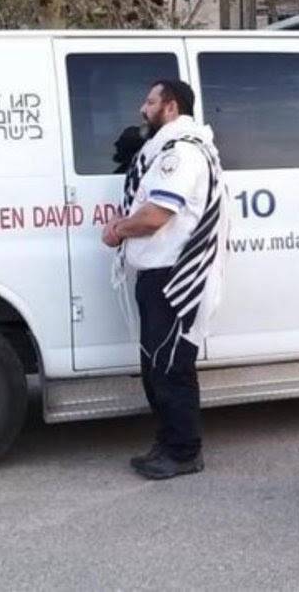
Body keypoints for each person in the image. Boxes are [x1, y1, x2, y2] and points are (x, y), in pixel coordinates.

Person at [101, 79, 228, 480]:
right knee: (156, 366)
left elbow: (157, 214)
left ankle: (184, 452)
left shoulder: (183, 154)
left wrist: (119, 229)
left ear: (170, 107)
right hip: (157, 274)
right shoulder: (165, 150)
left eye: (150, 101)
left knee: (171, 368)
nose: (143, 108)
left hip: (175, 278)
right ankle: (169, 442)